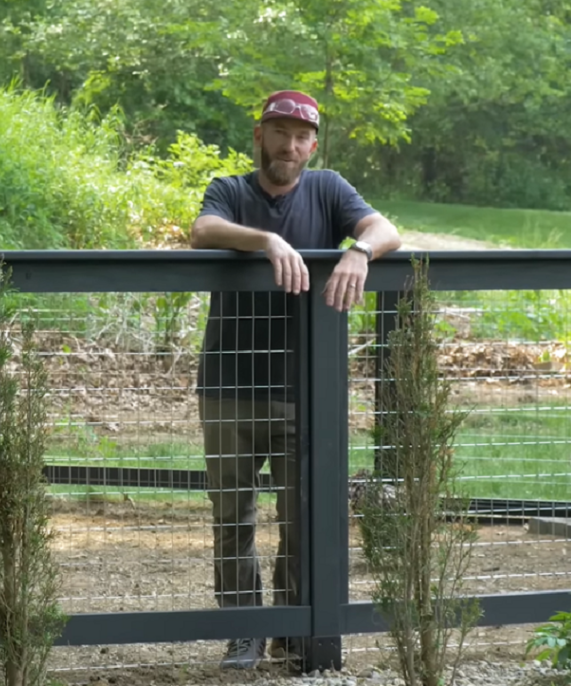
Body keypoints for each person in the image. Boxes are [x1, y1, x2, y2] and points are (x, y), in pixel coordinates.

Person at [189, 89, 402, 671]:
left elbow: (387, 230)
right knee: (232, 517)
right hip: (228, 388)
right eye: (279, 132)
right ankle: (245, 633)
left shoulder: (329, 188)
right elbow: (203, 229)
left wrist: (358, 251)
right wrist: (268, 240)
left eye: (301, 135)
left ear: (313, 144)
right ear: (259, 135)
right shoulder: (231, 190)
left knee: (305, 518)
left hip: (304, 390)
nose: (290, 145)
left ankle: (295, 631)